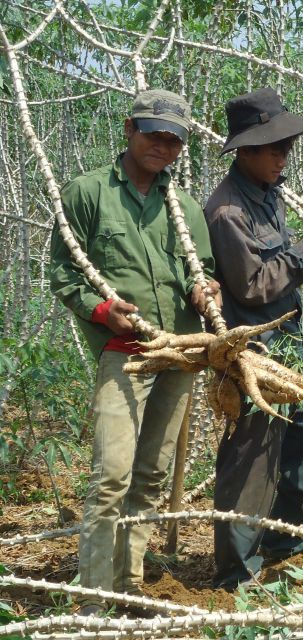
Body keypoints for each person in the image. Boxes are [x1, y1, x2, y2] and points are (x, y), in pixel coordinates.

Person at [49, 89, 218, 615]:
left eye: (173, 140)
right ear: (129, 129)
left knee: (150, 474)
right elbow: (62, 272)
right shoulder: (88, 193)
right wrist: (100, 312)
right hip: (124, 353)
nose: (162, 147)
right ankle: (95, 594)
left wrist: (204, 290)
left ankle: (130, 584)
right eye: (154, 135)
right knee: (112, 473)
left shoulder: (185, 207)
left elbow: (202, 270)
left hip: (179, 355)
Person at [204, 87, 303, 590]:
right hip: (256, 355)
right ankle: (237, 571)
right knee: (253, 454)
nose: (284, 157)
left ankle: (292, 543)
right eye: (274, 148)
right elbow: (253, 286)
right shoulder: (227, 212)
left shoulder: (268, 193)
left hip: (295, 339)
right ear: (245, 150)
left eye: (287, 147)